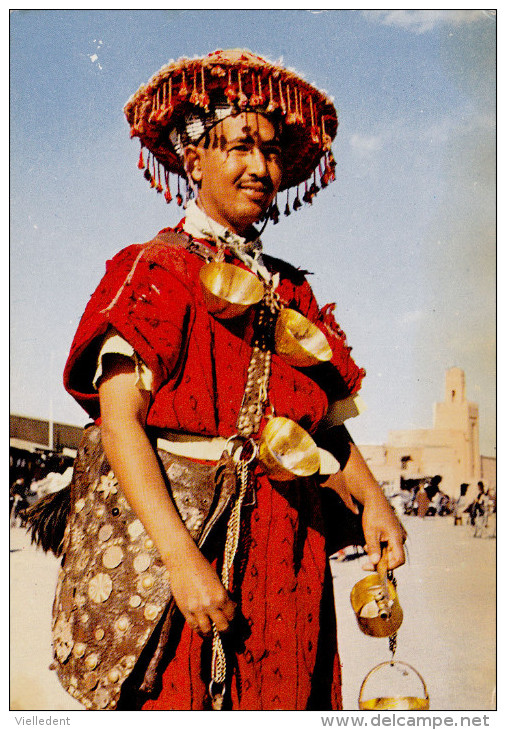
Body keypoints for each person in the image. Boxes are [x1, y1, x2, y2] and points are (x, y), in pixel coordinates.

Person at [54, 49, 405, 711]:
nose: (261, 168)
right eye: (239, 147)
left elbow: (323, 422)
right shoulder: (156, 269)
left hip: (292, 551)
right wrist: (183, 563)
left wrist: (373, 499)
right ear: (192, 157)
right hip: (193, 541)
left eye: (271, 153)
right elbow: (120, 422)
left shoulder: (293, 288)